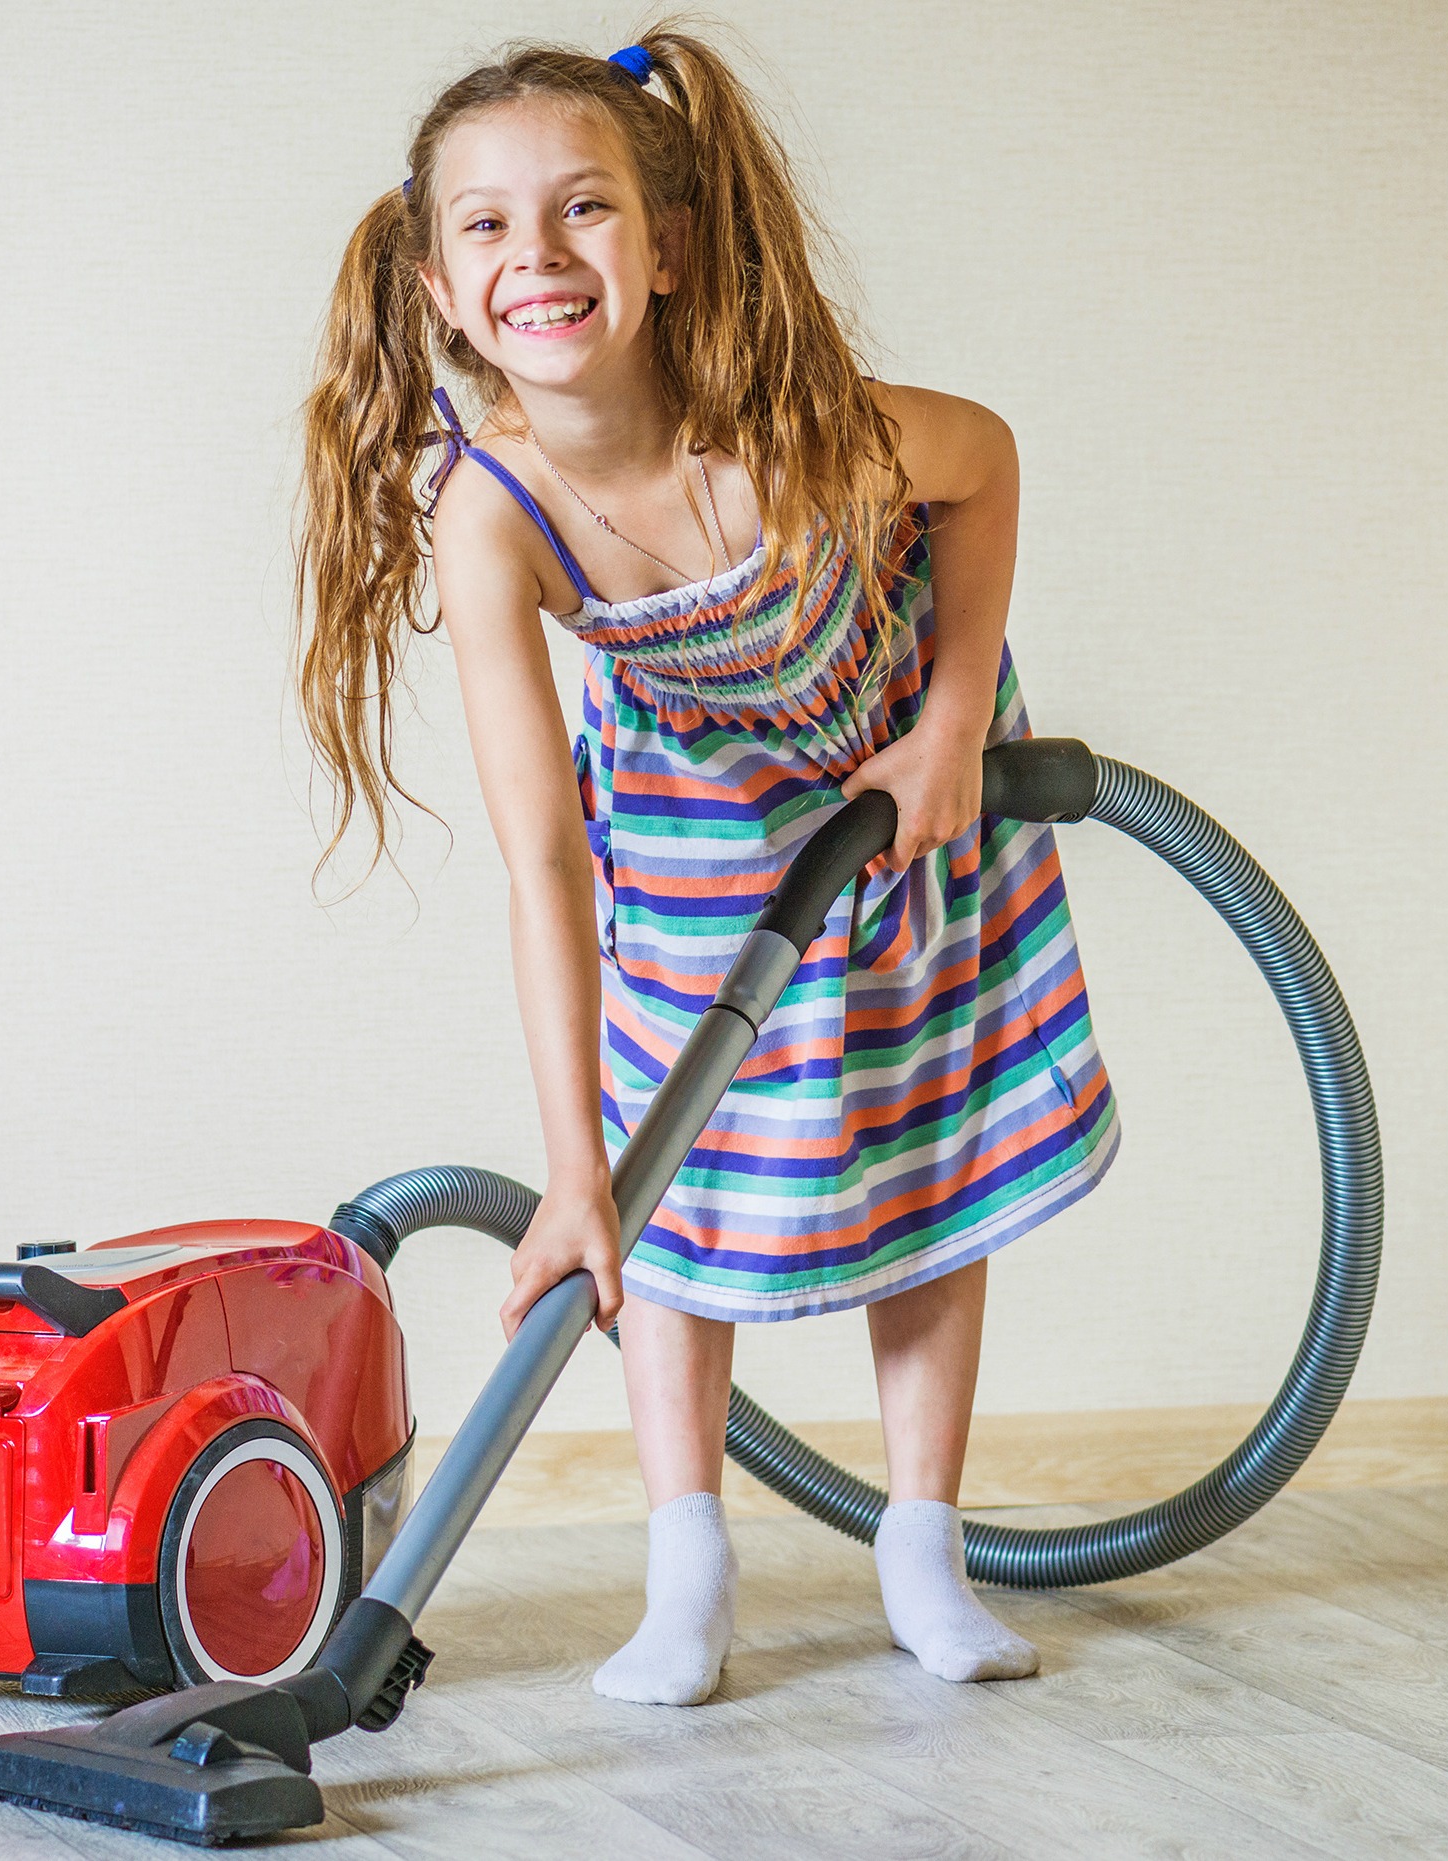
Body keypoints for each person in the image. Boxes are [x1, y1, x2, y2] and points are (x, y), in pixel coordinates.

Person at [295, 28, 1118, 1705]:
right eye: (486, 226)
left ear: (666, 247)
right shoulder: (491, 509)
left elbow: (981, 461)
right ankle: (690, 1566)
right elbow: (541, 856)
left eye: (584, 208)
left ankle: (924, 1544)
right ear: (440, 288)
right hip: (692, 798)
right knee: (665, 1157)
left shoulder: (787, 430)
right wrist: (573, 1175)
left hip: (900, 762)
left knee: (923, 1118)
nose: (538, 254)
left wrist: (955, 724)